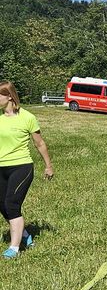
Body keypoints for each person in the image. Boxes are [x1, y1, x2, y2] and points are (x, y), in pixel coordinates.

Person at [0, 82, 54, 259]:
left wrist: (48, 166)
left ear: (9, 96)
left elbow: (39, 143)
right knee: (2, 205)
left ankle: (14, 248)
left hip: (21, 167)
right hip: (1, 167)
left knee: (11, 204)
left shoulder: (27, 117)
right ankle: (24, 235)